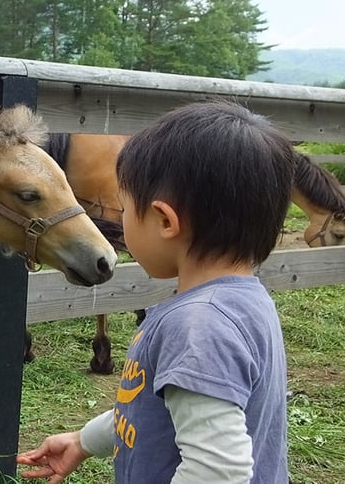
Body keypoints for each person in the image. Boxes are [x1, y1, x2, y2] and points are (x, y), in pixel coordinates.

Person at [17, 100, 294, 483]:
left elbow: (217, 471)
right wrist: (84, 441)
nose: (119, 222)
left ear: (164, 220)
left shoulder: (199, 327)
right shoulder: (244, 301)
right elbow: (150, 408)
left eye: (125, 209)